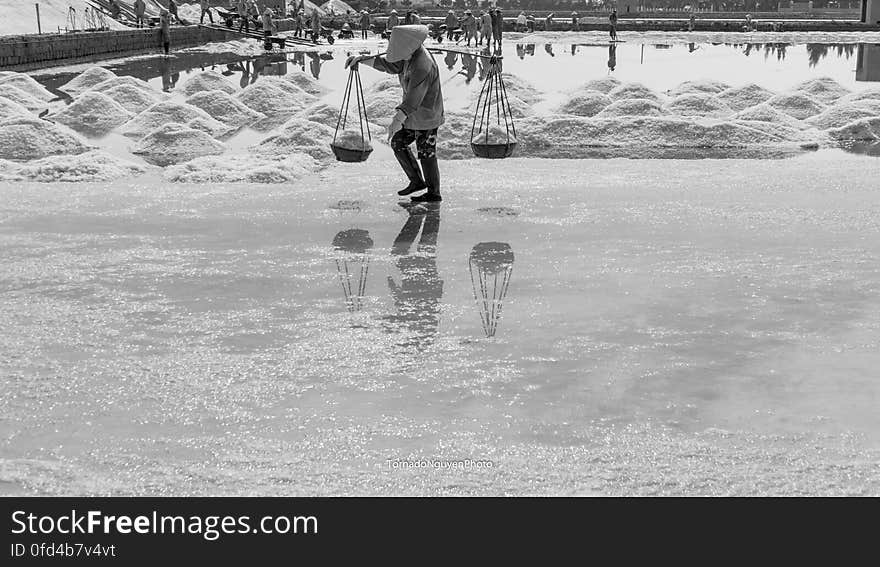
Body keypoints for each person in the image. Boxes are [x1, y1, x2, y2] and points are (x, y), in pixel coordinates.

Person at [346, 25, 445, 203]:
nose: (401, 58)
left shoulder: (423, 65)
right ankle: (416, 181)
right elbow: (390, 65)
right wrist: (361, 59)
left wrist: (397, 120)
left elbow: (414, 98)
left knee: (426, 153)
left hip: (427, 116)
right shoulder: (410, 54)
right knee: (398, 142)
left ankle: (434, 193)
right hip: (412, 115)